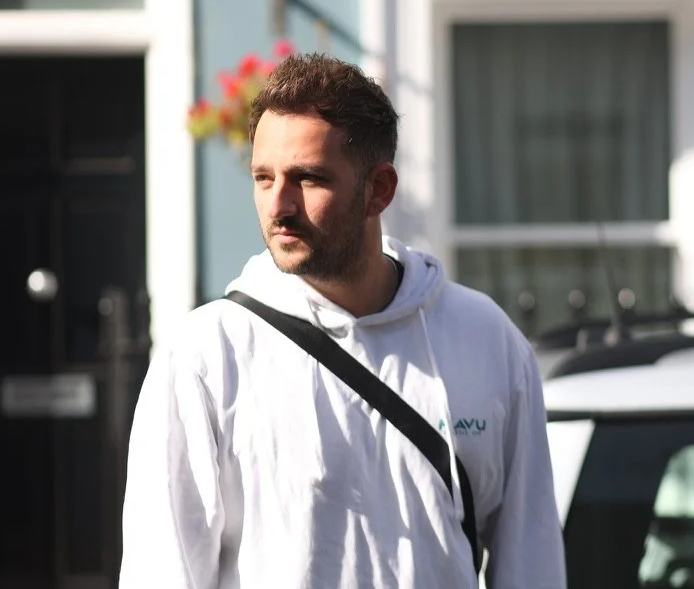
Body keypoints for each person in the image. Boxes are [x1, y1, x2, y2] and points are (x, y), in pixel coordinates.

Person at [118, 53, 567, 588]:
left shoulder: (485, 338)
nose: (278, 205)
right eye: (263, 178)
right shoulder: (207, 355)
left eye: (308, 179)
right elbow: (161, 570)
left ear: (379, 189)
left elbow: (532, 561)